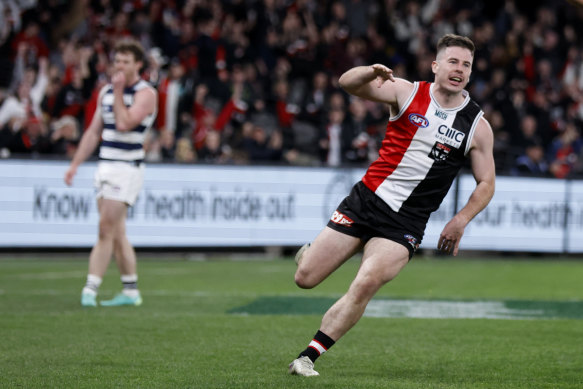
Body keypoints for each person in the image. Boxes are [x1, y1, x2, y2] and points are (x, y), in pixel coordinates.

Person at [288, 34, 495, 377]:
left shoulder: (477, 125)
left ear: (470, 74)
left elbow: (486, 183)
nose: (459, 69)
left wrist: (461, 219)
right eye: (454, 61)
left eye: (466, 65)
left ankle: (307, 356)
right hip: (366, 200)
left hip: (405, 224)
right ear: (436, 66)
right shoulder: (406, 91)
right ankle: (309, 254)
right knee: (305, 278)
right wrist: (370, 72)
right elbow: (347, 84)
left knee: (366, 281)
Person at [64, 39, 158, 307]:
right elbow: (94, 131)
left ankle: (90, 289)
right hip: (105, 166)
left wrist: (117, 92)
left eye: (126, 61)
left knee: (105, 227)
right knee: (116, 232)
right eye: (117, 60)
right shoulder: (106, 91)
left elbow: (125, 122)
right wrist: (75, 165)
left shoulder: (146, 93)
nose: (120, 66)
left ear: (138, 65)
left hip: (127, 168)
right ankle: (131, 291)